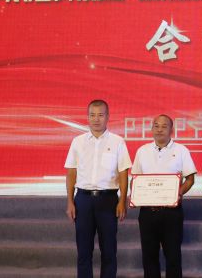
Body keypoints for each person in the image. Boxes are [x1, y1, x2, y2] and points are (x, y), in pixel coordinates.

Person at [65, 99, 132, 278]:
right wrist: (70, 201)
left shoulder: (118, 142)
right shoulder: (77, 142)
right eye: (92, 115)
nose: (96, 119)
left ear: (108, 117)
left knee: (109, 251)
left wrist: (122, 200)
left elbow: (123, 173)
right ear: (87, 117)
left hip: (108, 200)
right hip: (83, 200)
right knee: (83, 251)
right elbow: (71, 173)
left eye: (100, 115)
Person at [130, 114, 197, 278]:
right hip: (147, 212)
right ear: (152, 128)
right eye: (156, 126)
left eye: (164, 126)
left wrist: (178, 192)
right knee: (149, 256)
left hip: (171, 212)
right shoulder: (142, 151)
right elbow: (135, 179)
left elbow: (190, 178)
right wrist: (136, 193)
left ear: (171, 130)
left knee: (173, 256)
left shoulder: (181, 150)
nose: (159, 130)